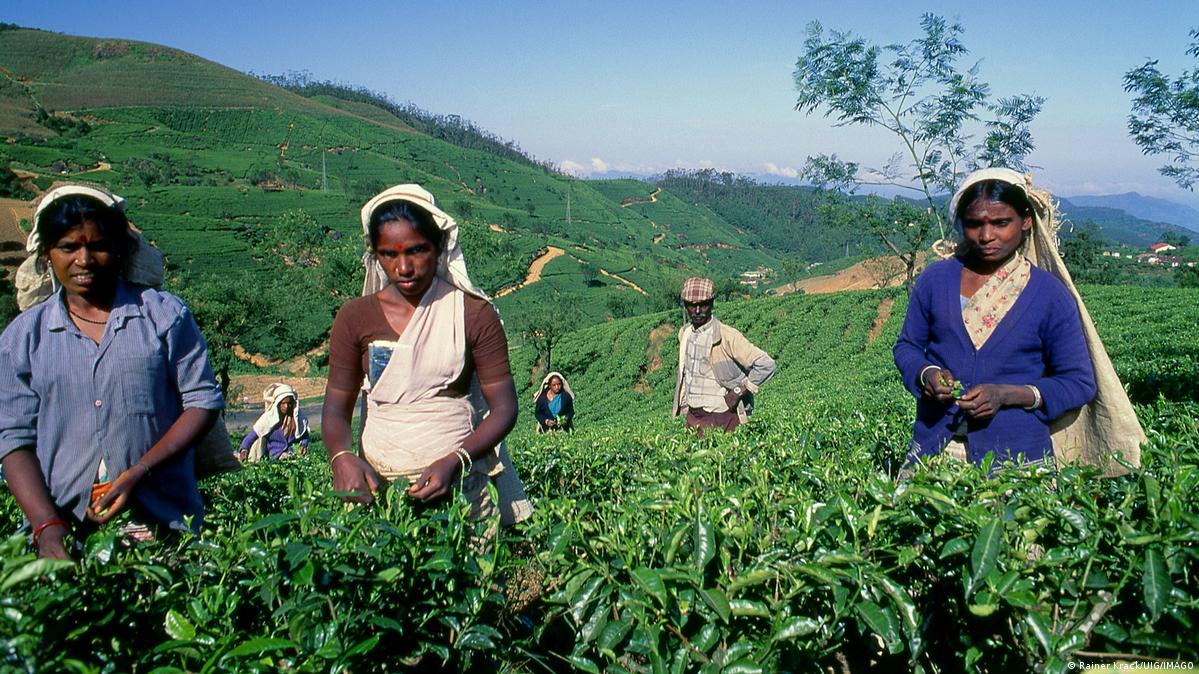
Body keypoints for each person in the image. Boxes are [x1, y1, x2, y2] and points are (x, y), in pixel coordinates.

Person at [0, 185, 224, 559]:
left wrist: (141, 470)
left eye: (98, 246)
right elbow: (13, 437)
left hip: (163, 523)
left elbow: (201, 402)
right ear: (47, 255)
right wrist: (47, 524)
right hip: (64, 533)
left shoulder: (162, 315)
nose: (84, 259)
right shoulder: (24, 338)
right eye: (69, 247)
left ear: (120, 250)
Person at [321, 184, 532, 525]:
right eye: (389, 254)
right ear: (375, 255)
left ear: (438, 248)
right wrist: (342, 458)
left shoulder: (473, 314)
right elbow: (335, 405)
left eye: (416, 251)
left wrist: (456, 460)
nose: (403, 267)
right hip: (376, 491)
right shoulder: (354, 318)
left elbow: (505, 407)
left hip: (462, 486)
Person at [893, 168, 1130, 470]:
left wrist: (1007, 395)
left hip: (1017, 459)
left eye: (1001, 223)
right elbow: (907, 347)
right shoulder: (935, 280)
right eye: (975, 224)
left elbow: (1078, 382)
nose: (987, 235)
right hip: (937, 448)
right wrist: (926, 374)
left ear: (1026, 221)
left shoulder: (1049, 295)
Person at [672, 277, 776, 434]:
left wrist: (739, 390)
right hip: (693, 417)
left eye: (703, 304)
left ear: (712, 303)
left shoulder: (727, 336)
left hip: (722, 416)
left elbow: (766, 364)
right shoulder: (684, 334)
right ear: (685, 305)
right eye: (692, 306)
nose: (698, 310)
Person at [240, 383, 310, 461]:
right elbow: (251, 437)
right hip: (272, 460)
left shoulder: (298, 419)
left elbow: (304, 435)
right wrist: (244, 450)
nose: (286, 406)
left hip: (293, 458)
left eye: (289, 403)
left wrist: (304, 444)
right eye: (284, 403)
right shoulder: (268, 419)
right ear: (278, 404)